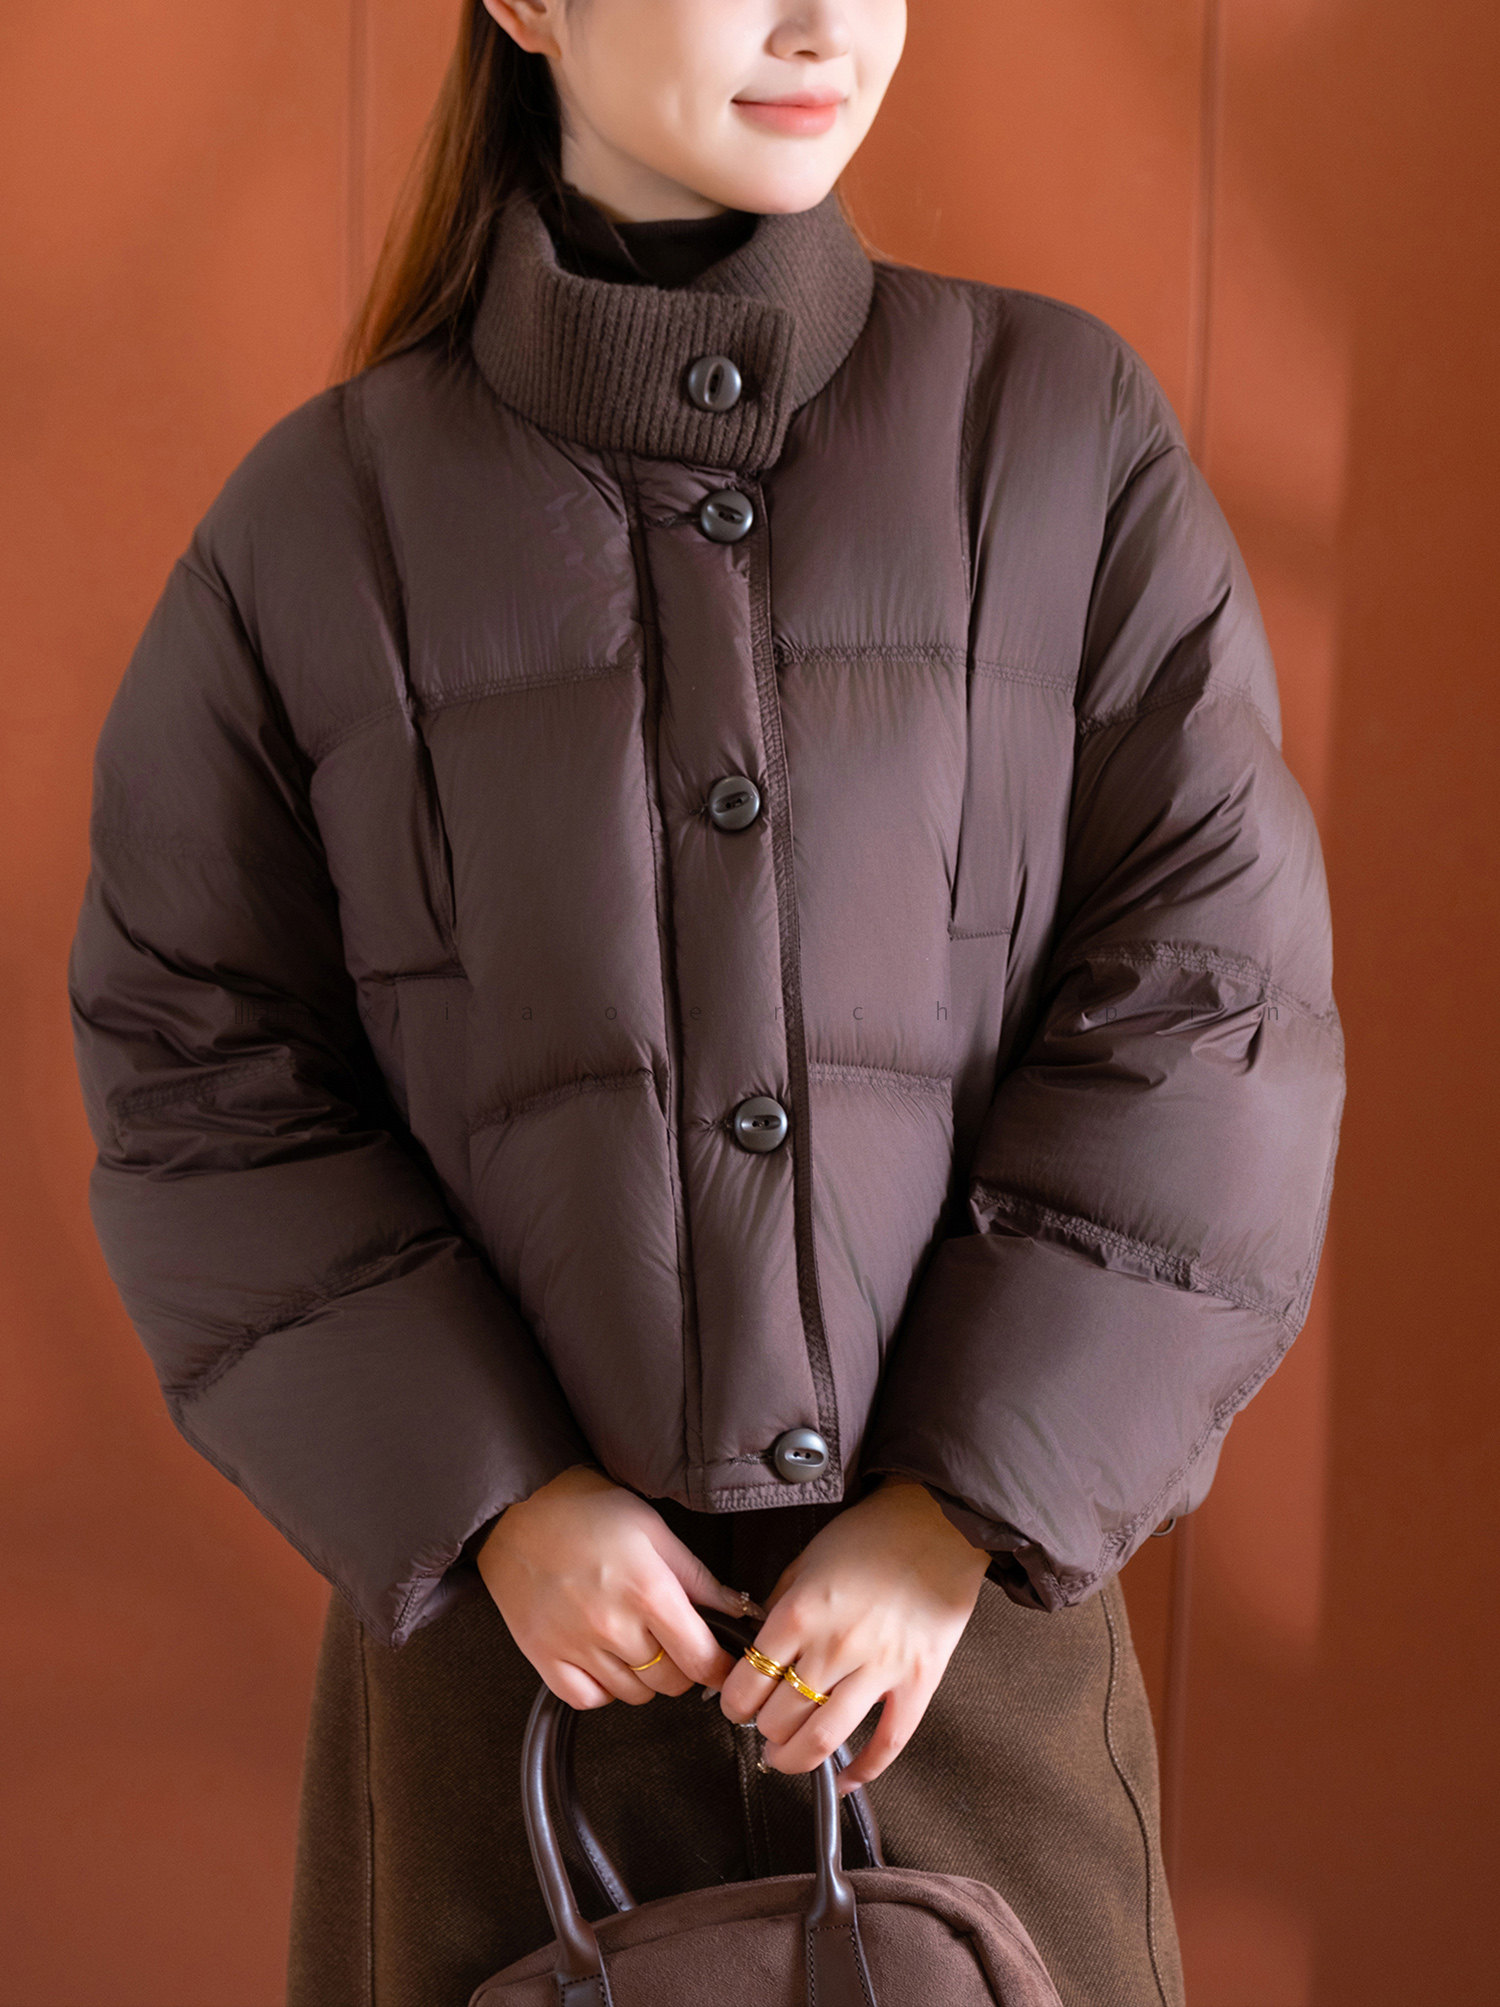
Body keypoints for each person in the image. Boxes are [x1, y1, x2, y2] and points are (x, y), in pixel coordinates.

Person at [67, 2, 1344, 2003]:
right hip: (512, 1697)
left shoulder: (1058, 434)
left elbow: (1214, 996)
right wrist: (491, 1497)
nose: (822, 22)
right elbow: (198, 1065)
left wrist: (955, 1513)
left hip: (959, 1672)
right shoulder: (318, 523)